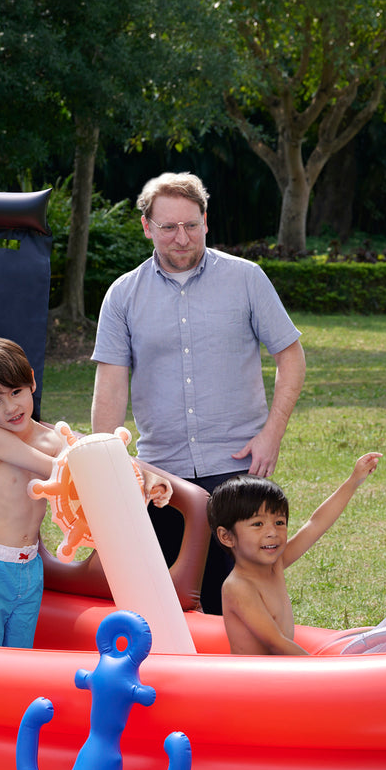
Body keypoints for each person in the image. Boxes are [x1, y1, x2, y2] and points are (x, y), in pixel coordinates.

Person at [91, 172, 306, 614]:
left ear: (206, 221)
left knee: (248, 602)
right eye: (168, 227)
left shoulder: (247, 279)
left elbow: (292, 357)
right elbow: (110, 386)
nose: (181, 237)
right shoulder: (122, 295)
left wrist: (272, 434)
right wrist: (107, 470)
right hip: (160, 478)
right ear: (147, 227)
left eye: (191, 225)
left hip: (238, 467)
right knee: (170, 608)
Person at [0, 336, 171, 648]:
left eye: (16, 392)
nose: (10, 407)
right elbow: (63, 469)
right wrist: (105, 469)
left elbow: (100, 455)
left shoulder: (53, 437)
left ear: (32, 382)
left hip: (28, 569)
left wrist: (146, 476)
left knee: (17, 658)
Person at [207, 453, 382, 656]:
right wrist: (325, 671)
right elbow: (276, 643)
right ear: (227, 537)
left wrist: (353, 481)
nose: (272, 532)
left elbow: (316, 524)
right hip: (255, 681)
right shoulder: (238, 587)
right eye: (258, 524)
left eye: (279, 522)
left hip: (282, 673)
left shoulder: (276, 564)